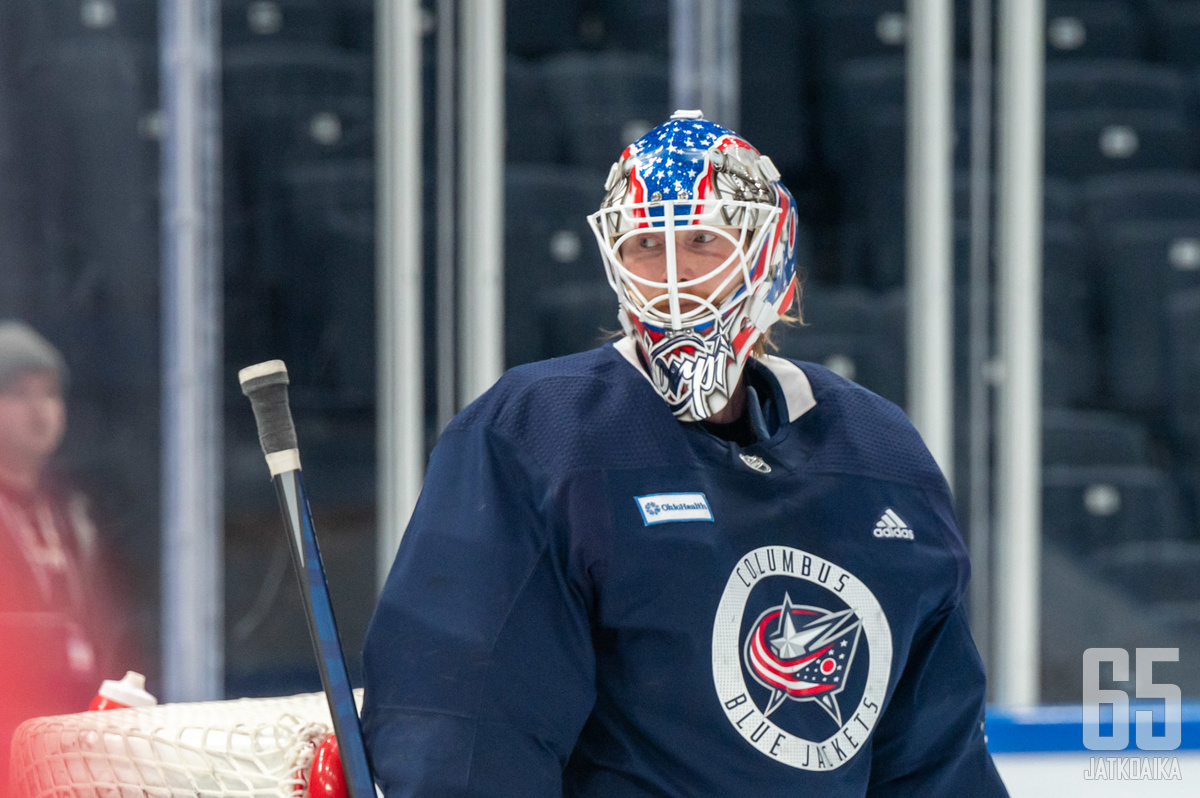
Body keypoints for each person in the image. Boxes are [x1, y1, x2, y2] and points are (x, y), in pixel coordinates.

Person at [361, 112, 1008, 796]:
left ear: (770, 255)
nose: (674, 276)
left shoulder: (879, 455)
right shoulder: (538, 436)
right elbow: (464, 733)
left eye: (702, 240)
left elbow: (936, 761)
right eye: (646, 244)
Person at [0, 321, 126, 790]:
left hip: (69, 741)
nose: (41, 411)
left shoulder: (74, 511)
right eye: (20, 394)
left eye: (50, 394)